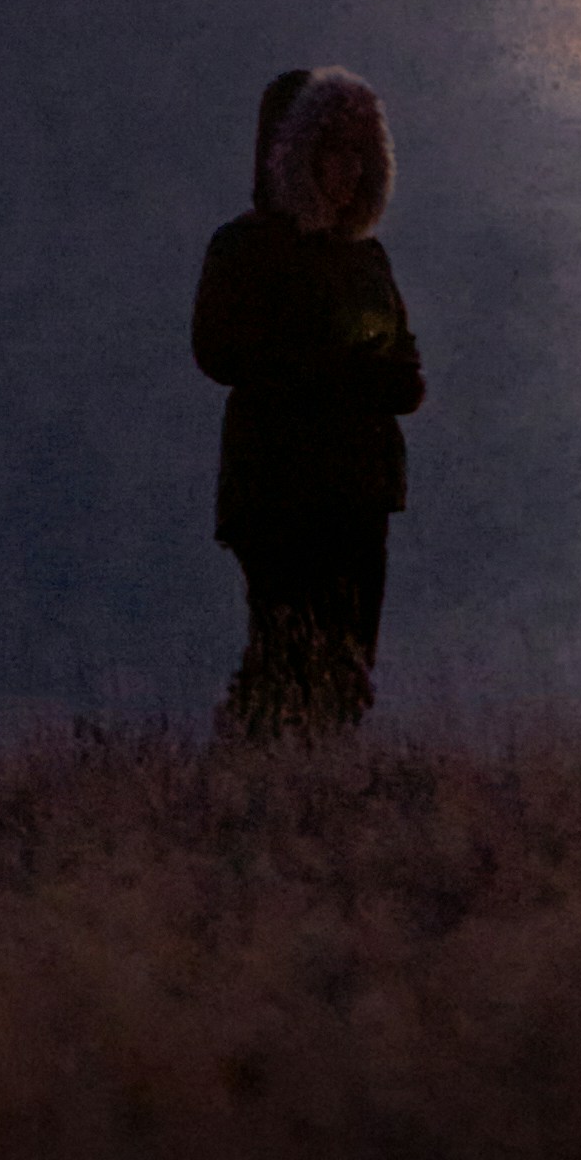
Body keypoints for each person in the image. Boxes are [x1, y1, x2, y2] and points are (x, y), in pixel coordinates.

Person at [190, 68, 424, 734]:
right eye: (332, 151)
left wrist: (384, 381)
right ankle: (251, 779)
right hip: (278, 490)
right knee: (286, 653)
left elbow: (406, 368)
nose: (348, 170)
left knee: (349, 660)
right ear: (292, 156)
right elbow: (218, 352)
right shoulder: (245, 248)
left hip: (361, 487)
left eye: (359, 153)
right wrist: (341, 375)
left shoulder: (366, 258)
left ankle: (316, 790)